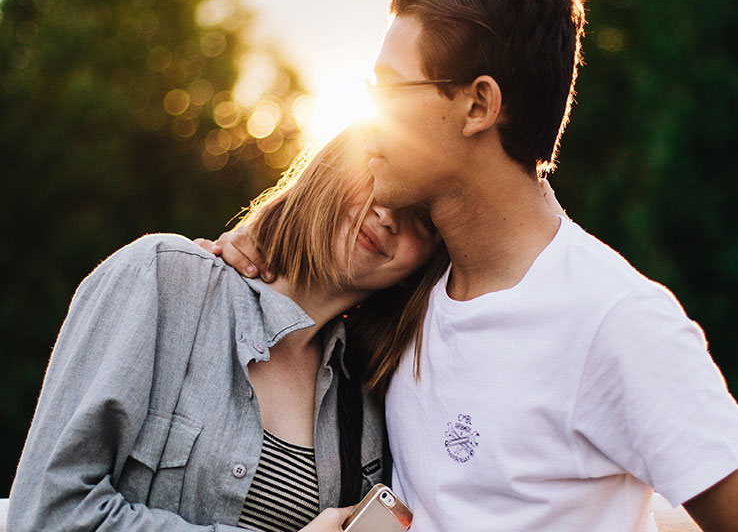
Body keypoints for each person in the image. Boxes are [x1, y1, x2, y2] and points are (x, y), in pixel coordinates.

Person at [210, 0, 738, 531]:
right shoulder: (410, 293)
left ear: (478, 105)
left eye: (391, 87)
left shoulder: (615, 321)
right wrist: (268, 236)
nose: (370, 112)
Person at [7, 127, 448, 532]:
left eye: (424, 217)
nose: (389, 213)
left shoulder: (369, 404)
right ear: (333, 167)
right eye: (379, 168)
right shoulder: (163, 280)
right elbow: (46, 513)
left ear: (420, 267)